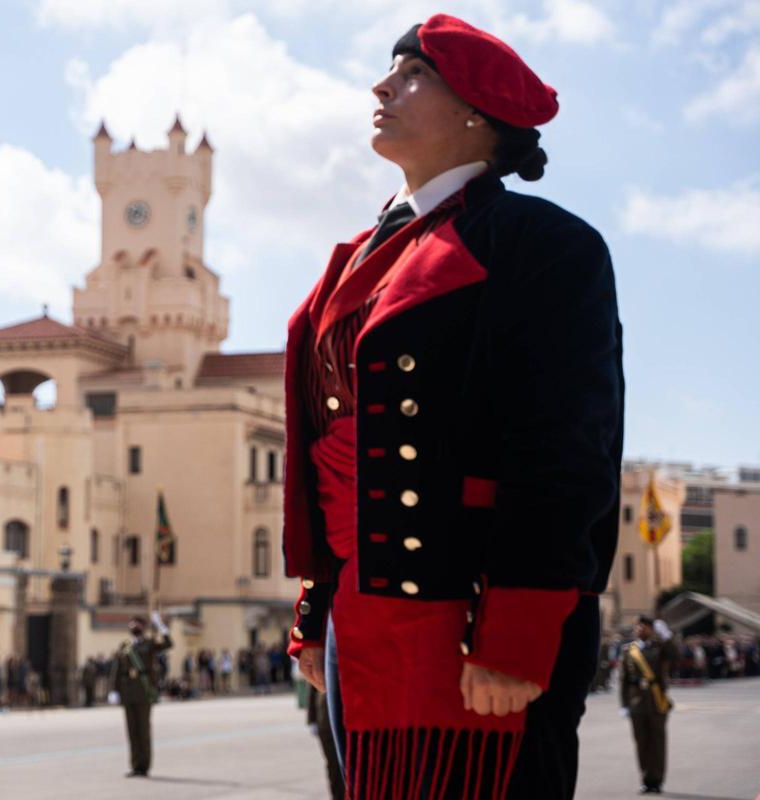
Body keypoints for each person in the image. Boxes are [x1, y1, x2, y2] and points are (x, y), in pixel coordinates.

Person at [281, 14, 624, 800]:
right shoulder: (359, 254)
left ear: (475, 110)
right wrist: (320, 604)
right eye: (389, 71)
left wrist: (519, 629)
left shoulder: (542, 244)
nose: (382, 86)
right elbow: (343, 450)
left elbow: (566, 449)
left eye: (413, 74)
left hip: (471, 613)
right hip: (363, 623)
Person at [109, 612, 172, 777]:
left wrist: (160, 625)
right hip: (128, 693)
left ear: (143, 627)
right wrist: (114, 690)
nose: (134, 627)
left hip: (144, 693)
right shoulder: (125, 645)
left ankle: (145, 766)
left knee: (143, 731)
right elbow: (117, 669)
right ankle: (135, 765)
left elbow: (168, 644)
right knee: (132, 731)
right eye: (131, 624)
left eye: (137, 624)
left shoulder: (150, 644)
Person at [620, 616, 678, 794]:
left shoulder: (660, 647)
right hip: (636, 702)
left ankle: (657, 781)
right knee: (642, 743)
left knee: (658, 743)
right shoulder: (629, 650)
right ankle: (646, 780)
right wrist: (624, 705)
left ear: (652, 629)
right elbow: (624, 680)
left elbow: (675, 656)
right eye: (638, 626)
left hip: (657, 701)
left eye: (645, 626)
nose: (640, 629)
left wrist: (667, 637)